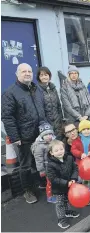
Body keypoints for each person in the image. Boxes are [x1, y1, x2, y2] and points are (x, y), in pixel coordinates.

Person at [2, 63, 46, 204]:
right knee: (26, 164)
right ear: (17, 74)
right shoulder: (10, 93)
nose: (27, 73)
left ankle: (41, 181)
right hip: (24, 136)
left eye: (29, 71)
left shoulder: (36, 89)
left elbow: (42, 108)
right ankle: (27, 190)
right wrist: (15, 137)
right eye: (23, 71)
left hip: (40, 132)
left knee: (40, 158)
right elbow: (7, 117)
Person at [46, 140, 79, 229]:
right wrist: (66, 183)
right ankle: (61, 219)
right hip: (58, 189)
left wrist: (73, 179)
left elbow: (75, 168)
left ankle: (67, 212)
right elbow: (52, 178)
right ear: (51, 153)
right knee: (60, 203)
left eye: (61, 149)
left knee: (67, 200)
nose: (59, 151)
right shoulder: (50, 165)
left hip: (69, 185)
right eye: (56, 150)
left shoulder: (69, 158)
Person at [31, 122, 56, 203]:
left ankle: (57, 193)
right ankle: (50, 196)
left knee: (56, 181)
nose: (49, 136)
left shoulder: (53, 142)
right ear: (42, 136)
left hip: (55, 166)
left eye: (50, 134)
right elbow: (38, 159)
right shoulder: (39, 146)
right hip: (47, 167)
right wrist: (41, 170)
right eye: (46, 135)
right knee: (50, 182)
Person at [36, 66, 64, 139]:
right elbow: (40, 109)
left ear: (49, 76)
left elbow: (58, 105)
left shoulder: (53, 88)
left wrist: (60, 119)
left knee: (59, 141)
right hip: (46, 123)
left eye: (46, 75)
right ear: (38, 77)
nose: (44, 77)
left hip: (57, 121)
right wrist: (45, 123)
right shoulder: (36, 90)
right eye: (41, 75)